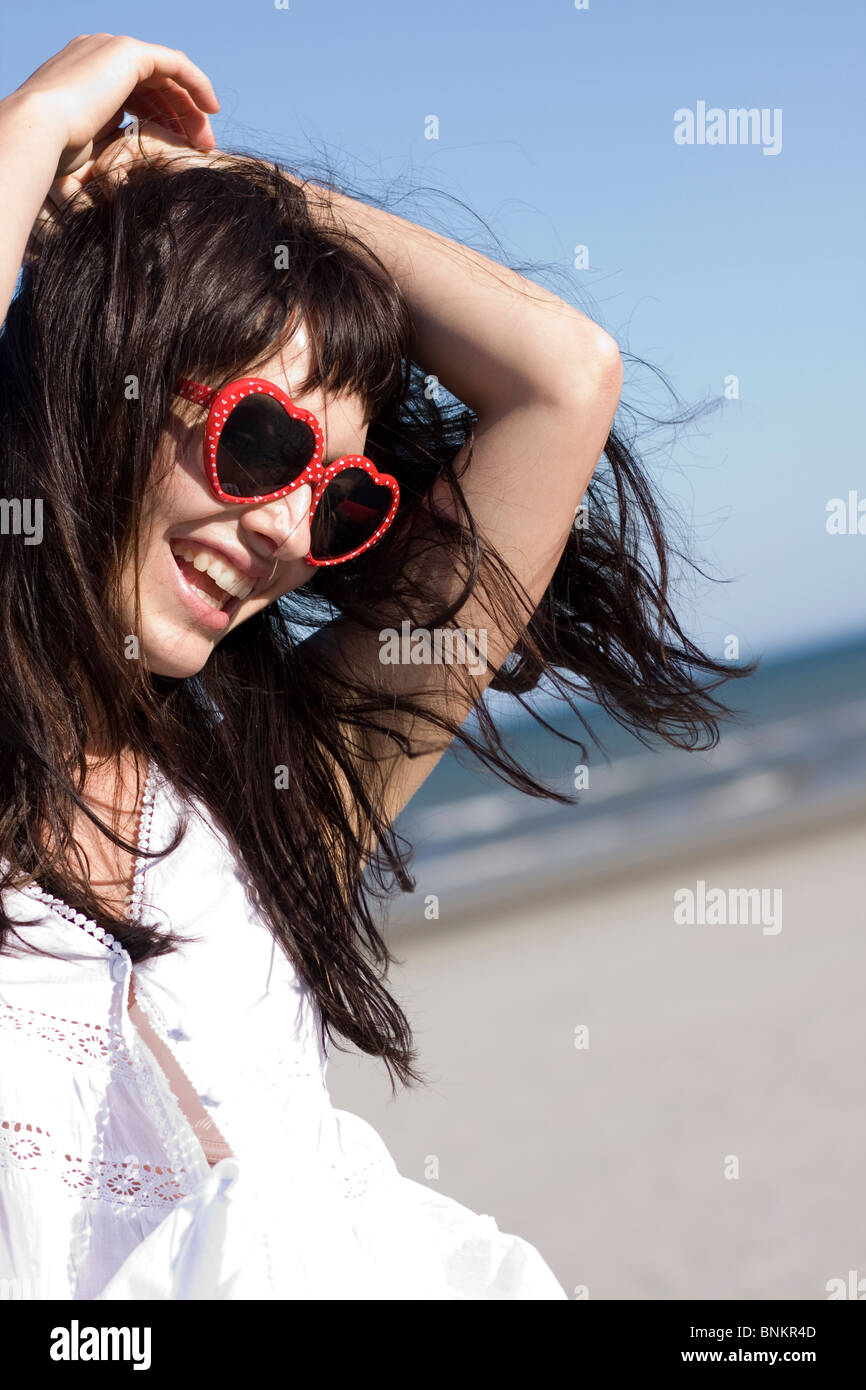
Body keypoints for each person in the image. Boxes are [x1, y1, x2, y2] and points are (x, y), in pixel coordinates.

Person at [0, 35, 743, 1300]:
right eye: (261, 439)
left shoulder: (280, 798)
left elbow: (562, 382)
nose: (292, 532)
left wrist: (197, 177)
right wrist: (43, 121)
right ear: (96, 384)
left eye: (338, 497)